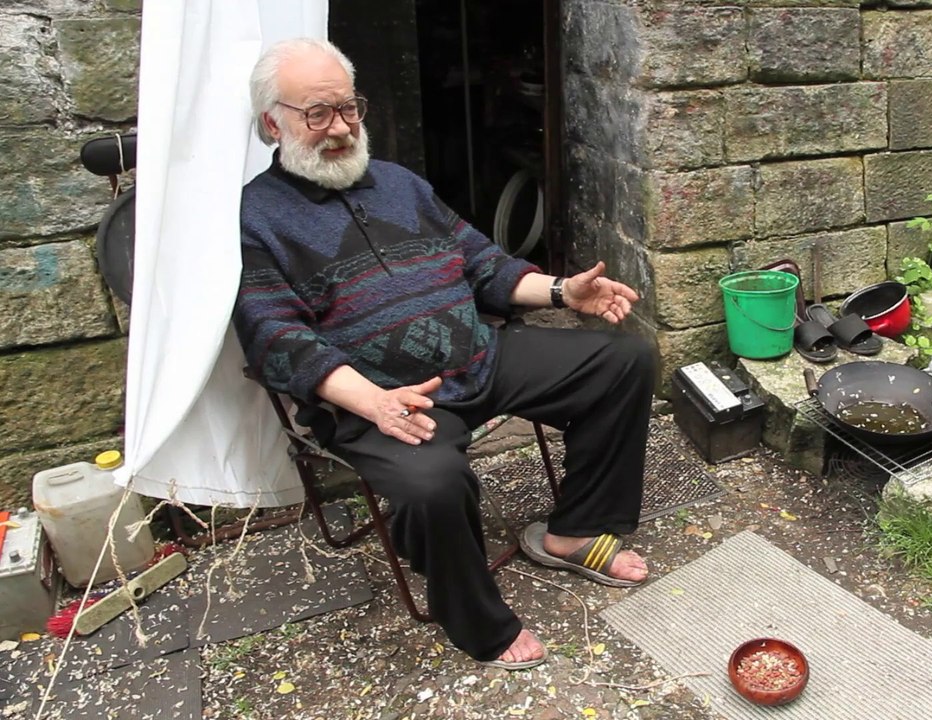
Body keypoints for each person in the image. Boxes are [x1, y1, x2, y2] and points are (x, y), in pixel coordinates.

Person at [232, 37, 655, 670]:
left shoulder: (400, 184)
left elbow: (483, 263)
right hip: (380, 399)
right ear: (274, 123)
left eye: (349, 109)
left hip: (476, 359)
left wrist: (565, 291)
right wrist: (371, 401)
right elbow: (273, 337)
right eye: (317, 114)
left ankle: (572, 532)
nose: (341, 128)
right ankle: (476, 621)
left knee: (625, 361)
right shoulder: (255, 217)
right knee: (433, 482)